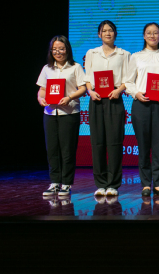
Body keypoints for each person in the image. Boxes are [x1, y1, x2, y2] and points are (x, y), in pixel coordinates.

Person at [125, 22, 159, 197]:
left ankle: (158, 184)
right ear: (144, 36)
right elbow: (128, 81)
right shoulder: (136, 56)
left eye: (155, 33)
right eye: (149, 33)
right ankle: (146, 184)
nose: (152, 36)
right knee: (143, 145)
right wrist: (136, 93)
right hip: (141, 104)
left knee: (158, 144)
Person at [84, 20, 131, 197]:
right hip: (96, 100)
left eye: (110, 30)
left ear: (115, 34)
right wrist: (90, 91)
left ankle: (113, 184)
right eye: (104, 31)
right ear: (99, 34)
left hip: (115, 99)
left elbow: (128, 78)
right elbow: (87, 77)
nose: (107, 33)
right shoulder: (92, 53)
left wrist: (119, 90)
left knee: (115, 143)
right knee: (97, 143)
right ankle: (101, 183)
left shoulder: (124, 54)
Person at [37, 36, 86, 196]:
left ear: (67, 50)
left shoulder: (75, 67)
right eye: (55, 49)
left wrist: (69, 97)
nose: (58, 52)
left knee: (67, 149)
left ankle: (66, 183)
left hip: (69, 112)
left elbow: (83, 88)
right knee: (52, 149)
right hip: (50, 113)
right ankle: (54, 183)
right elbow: (42, 90)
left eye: (61, 49)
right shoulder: (47, 68)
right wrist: (41, 99)